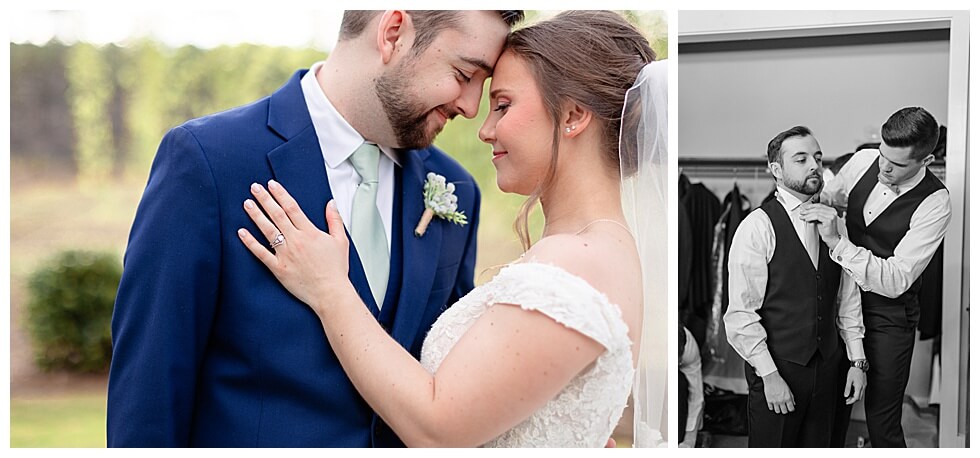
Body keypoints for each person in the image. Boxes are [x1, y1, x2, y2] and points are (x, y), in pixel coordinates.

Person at [237, 10, 662, 447]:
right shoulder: (603, 251)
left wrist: (330, 290)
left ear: (572, 115)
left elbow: (438, 428)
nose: (484, 126)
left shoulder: (576, 262)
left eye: (502, 104)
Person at [107, 10, 523, 447]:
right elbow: (149, 389)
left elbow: (450, 381)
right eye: (463, 74)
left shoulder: (456, 189)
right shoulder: (210, 161)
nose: (471, 107)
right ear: (393, 32)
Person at [802, 107, 951, 448]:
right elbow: (829, 197)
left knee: (882, 420)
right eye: (883, 155)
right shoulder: (863, 161)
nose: (883, 167)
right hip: (840, 300)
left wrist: (838, 243)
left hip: (890, 316)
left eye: (897, 164)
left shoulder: (935, 201)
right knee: (829, 404)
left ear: (926, 161)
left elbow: (898, 279)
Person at [724, 126, 868, 447]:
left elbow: (846, 299)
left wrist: (857, 362)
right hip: (779, 370)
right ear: (777, 170)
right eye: (801, 159)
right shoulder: (757, 226)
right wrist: (769, 376)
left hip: (830, 367)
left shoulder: (835, 223)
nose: (814, 165)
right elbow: (741, 315)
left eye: (817, 157)